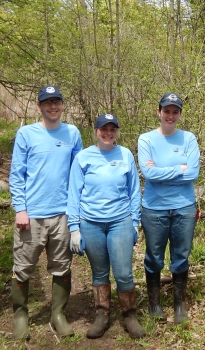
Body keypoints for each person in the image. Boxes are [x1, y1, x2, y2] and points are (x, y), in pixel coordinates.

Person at [9, 86, 82, 339]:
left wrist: (76, 212)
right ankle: (20, 315)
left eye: (57, 102)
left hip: (62, 213)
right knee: (23, 267)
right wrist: (20, 209)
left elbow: (78, 173)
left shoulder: (72, 133)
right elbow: (17, 174)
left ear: (62, 105)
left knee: (62, 266)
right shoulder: (26, 134)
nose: (53, 106)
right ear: (39, 106)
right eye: (47, 102)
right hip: (32, 215)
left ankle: (57, 315)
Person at [67, 113, 144, 339]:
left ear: (117, 131)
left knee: (123, 272)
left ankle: (129, 315)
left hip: (120, 221)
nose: (108, 133)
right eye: (104, 129)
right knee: (99, 272)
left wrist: (135, 222)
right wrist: (74, 228)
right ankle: (102, 314)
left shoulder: (126, 155)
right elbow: (74, 193)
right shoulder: (83, 157)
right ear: (96, 130)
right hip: (90, 223)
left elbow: (134, 191)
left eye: (112, 129)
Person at [137, 93, 200, 324]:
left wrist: (163, 172)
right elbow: (148, 174)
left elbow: (193, 173)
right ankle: (154, 304)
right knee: (154, 257)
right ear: (159, 112)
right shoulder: (146, 140)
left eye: (175, 111)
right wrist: (179, 168)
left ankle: (179, 304)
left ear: (180, 114)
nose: (170, 116)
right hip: (154, 209)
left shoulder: (188, 139)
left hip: (184, 208)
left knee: (181, 257)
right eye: (167, 111)